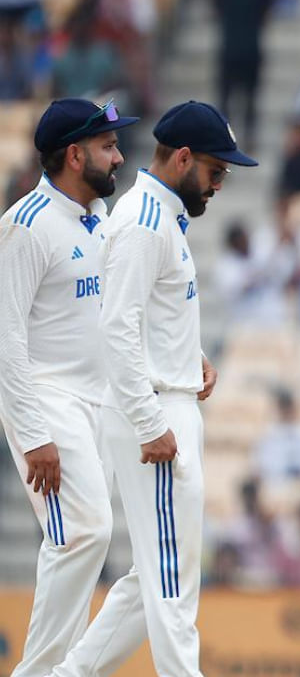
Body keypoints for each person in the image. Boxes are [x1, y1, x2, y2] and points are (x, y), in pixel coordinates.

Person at [52, 101, 257, 677]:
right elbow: (113, 328)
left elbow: (140, 319)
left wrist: (188, 358)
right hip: (154, 414)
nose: (219, 185)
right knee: (172, 583)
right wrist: (150, 422)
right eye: (216, 172)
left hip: (167, 400)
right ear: (183, 158)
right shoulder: (144, 221)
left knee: (154, 577)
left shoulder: (159, 215)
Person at [0, 98, 138, 677]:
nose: (119, 155)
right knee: (84, 532)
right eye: (108, 146)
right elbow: (5, 336)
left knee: (88, 545)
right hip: (48, 400)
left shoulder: (99, 218)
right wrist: (33, 434)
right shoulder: (25, 226)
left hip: (99, 403)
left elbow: (117, 312)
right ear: (75, 155)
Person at [212, 0, 275, 149]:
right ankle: (249, 136)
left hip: (229, 46)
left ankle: (222, 137)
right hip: (251, 46)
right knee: (251, 95)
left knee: (225, 96)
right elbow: (266, 12)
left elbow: (216, 9)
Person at [254, 388, 300, 481]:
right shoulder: (268, 435)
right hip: (275, 485)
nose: (286, 411)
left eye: (288, 407)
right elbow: (259, 466)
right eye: (283, 408)